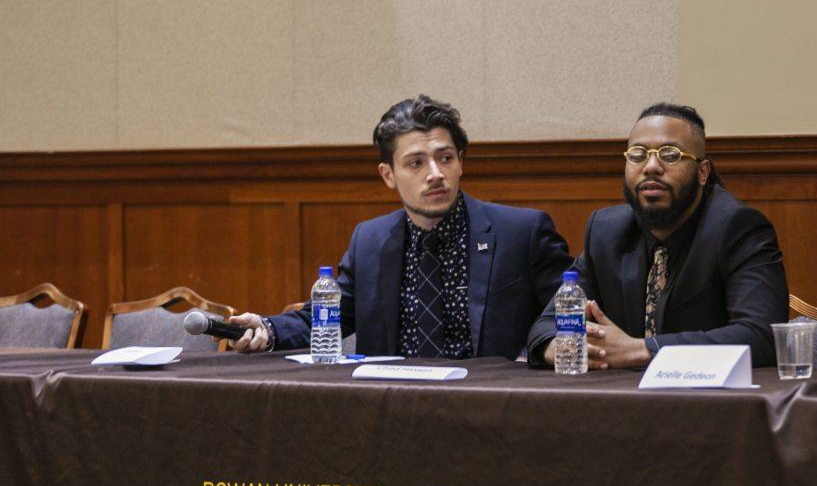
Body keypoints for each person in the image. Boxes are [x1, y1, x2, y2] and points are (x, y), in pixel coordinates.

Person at [229, 95, 572, 359]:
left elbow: (569, 315)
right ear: (388, 175)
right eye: (416, 163)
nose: (435, 173)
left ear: (461, 163)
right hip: (393, 407)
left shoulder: (521, 232)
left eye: (446, 158)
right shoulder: (370, 240)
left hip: (491, 405)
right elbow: (326, 319)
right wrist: (267, 328)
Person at [526, 103, 788, 369]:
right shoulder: (606, 232)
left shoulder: (737, 228)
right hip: (618, 401)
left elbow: (762, 336)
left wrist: (641, 350)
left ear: (702, 172)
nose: (651, 166)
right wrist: (562, 347)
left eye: (670, 155)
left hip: (712, 401)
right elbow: (546, 326)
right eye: (638, 155)